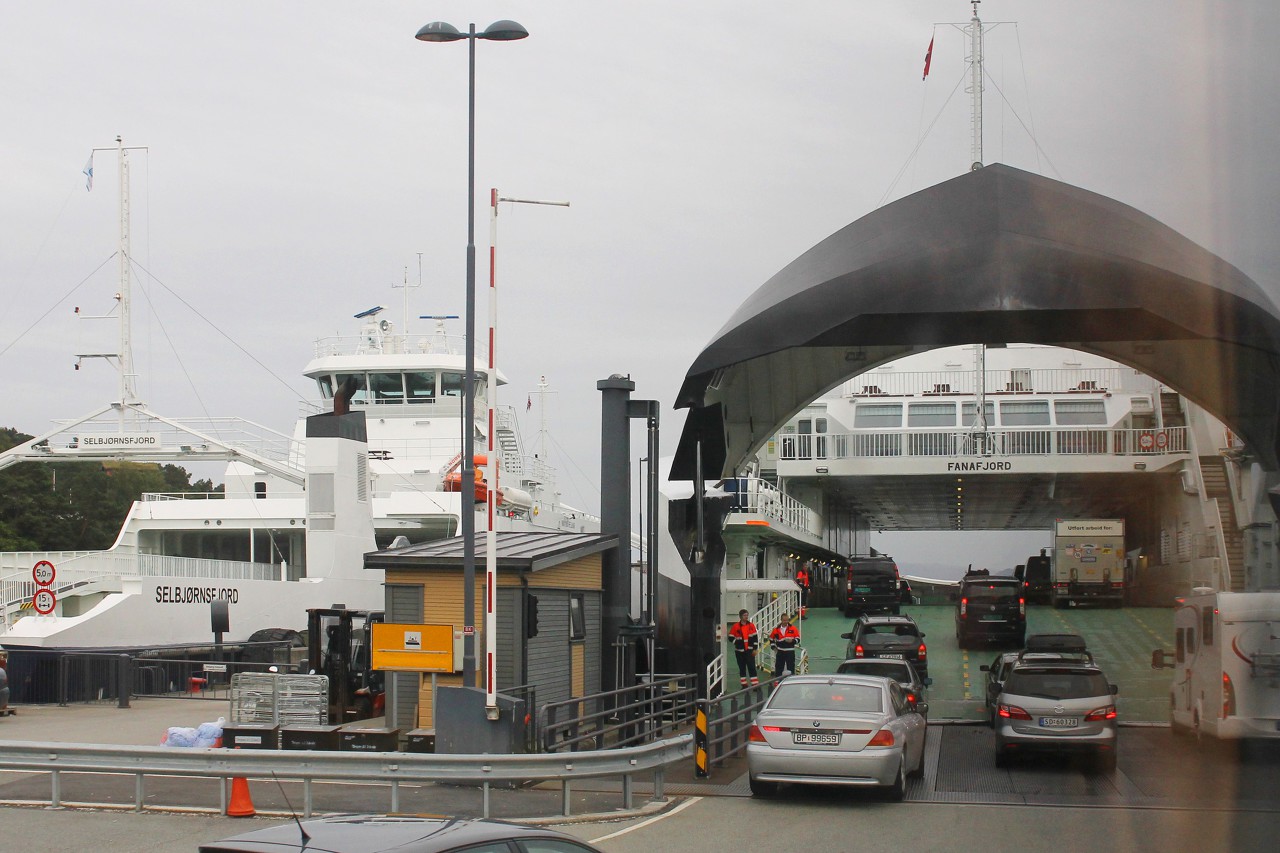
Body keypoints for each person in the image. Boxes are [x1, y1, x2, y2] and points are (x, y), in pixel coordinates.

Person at [728, 609, 760, 688]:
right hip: (739, 651)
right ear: (740, 616)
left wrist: (755, 649)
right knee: (742, 668)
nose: (746, 617)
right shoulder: (735, 626)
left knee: (752, 667)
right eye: (745, 615)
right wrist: (736, 642)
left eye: (747, 615)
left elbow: (755, 637)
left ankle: (755, 685)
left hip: (749, 651)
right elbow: (730, 637)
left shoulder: (751, 626)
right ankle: (744, 684)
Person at [769, 612, 801, 679]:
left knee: (791, 667)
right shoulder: (776, 630)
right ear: (781, 620)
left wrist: (792, 641)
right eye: (784, 620)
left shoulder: (793, 629)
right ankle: (778, 682)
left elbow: (798, 639)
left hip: (790, 652)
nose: (786, 622)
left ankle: (791, 681)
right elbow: (771, 639)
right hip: (780, 652)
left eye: (787, 620)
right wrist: (773, 647)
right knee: (778, 668)